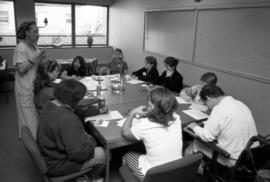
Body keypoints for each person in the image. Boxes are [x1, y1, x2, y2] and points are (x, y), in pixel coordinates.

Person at [37, 79, 106, 177]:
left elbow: (77, 110)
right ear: (72, 101)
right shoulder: (68, 119)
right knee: (103, 153)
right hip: (58, 164)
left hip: (50, 155)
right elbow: (80, 154)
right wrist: (92, 141)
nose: (81, 101)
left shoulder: (50, 105)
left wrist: (98, 111)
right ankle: (92, 178)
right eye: (80, 99)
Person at [185, 84, 258, 167]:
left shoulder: (219, 109)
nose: (207, 107)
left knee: (196, 143)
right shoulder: (240, 104)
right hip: (251, 155)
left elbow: (207, 137)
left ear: (208, 98)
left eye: (205, 103)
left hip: (233, 159)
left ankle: (193, 170)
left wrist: (194, 126)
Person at [121, 87, 183, 181]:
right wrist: (150, 112)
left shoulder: (144, 125)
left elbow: (125, 132)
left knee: (127, 155)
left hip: (154, 175)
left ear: (155, 108)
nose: (147, 107)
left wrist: (132, 113)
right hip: (178, 170)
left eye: (149, 105)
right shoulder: (176, 118)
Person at [34, 59, 107, 119]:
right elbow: (75, 107)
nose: (58, 73)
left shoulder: (43, 86)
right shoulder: (51, 92)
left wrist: (94, 100)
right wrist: (97, 109)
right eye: (56, 71)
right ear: (48, 73)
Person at [13, 21, 47, 138]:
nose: (38, 34)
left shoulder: (34, 47)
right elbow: (21, 69)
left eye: (38, 32)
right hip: (25, 89)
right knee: (28, 121)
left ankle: (38, 143)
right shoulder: (21, 48)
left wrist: (44, 61)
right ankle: (33, 146)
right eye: (35, 31)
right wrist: (35, 58)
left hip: (34, 87)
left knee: (36, 119)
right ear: (26, 32)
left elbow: (37, 64)